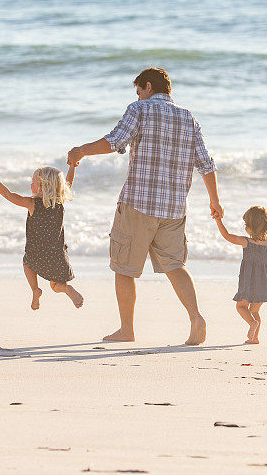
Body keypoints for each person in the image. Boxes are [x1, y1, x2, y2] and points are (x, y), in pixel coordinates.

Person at [67, 67, 222, 345]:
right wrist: (215, 201)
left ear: (148, 87)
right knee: (175, 265)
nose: (138, 97)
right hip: (174, 208)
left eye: (139, 92)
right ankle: (196, 317)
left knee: (124, 267)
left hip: (138, 203)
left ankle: (127, 330)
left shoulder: (140, 110)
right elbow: (206, 164)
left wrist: (81, 151)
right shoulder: (189, 118)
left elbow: (114, 141)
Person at [0, 162, 84, 310]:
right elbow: (68, 183)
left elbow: (8, 195)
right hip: (57, 254)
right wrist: (72, 166)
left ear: (42, 186)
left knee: (27, 264)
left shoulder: (32, 203)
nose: (31, 184)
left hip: (36, 253)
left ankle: (35, 289)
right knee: (56, 286)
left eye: (34, 182)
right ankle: (67, 289)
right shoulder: (60, 202)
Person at [214, 206, 267, 344]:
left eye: (246, 224)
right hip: (266, 284)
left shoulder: (246, 242)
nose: (245, 227)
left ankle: (252, 324)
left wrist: (218, 221)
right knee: (254, 311)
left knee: (241, 307)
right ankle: (255, 338)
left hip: (249, 282)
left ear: (251, 227)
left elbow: (227, 236)